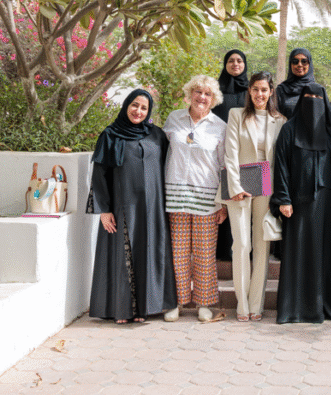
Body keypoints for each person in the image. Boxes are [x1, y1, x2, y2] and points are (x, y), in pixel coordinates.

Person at [88, 89, 177, 324]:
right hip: (122, 207)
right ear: (126, 105)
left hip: (152, 209)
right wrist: (103, 209)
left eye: (144, 108)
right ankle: (122, 310)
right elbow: (99, 174)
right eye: (135, 105)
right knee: (122, 255)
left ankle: (145, 309)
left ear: (149, 112)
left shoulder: (156, 135)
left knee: (148, 252)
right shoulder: (110, 135)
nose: (138, 111)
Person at [271, 83, 331, 324]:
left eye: (317, 97)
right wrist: (283, 198)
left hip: (327, 202)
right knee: (298, 253)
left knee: (325, 253)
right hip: (298, 202)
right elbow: (280, 164)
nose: (312, 101)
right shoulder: (289, 130)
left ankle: (325, 307)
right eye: (308, 97)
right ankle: (295, 309)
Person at [162, 76, 228, 323]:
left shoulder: (219, 126)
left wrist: (224, 204)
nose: (202, 97)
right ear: (189, 94)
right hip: (176, 196)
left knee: (204, 254)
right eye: (198, 92)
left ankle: (204, 302)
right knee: (177, 254)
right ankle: (177, 302)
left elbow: (224, 165)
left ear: (214, 99)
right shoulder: (173, 119)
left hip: (207, 199)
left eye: (207, 94)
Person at [222, 72, 286, 322]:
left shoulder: (280, 120)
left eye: (265, 90)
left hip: (266, 180)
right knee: (241, 244)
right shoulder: (236, 115)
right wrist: (236, 185)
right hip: (239, 180)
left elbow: (279, 159)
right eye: (256, 89)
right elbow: (230, 152)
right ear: (249, 91)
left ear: (271, 92)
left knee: (262, 246)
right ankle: (242, 303)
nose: (260, 94)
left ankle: (256, 304)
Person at [211, 49, 249, 261]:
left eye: (239, 60)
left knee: (243, 199)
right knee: (223, 198)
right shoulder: (216, 91)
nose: (235, 64)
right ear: (225, 64)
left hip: (245, 155)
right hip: (220, 152)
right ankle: (223, 252)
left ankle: (245, 252)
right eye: (231, 61)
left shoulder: (251, 91)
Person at [276, 48, 317, 119]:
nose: (300, 65)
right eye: (295, 61)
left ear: (309, 64)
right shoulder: (281, 90)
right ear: (290, 64)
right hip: (286, 129)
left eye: (304, 61)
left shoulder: (316, 90)